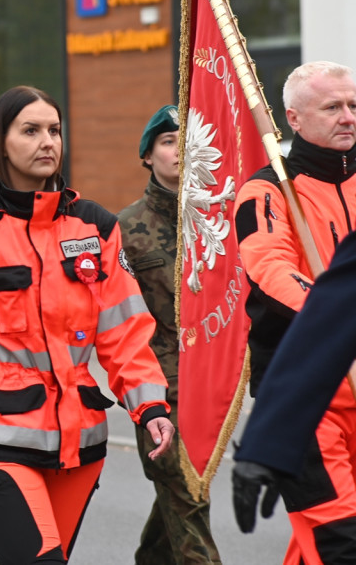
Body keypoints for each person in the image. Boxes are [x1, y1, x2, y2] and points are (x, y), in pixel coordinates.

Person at [0, 85, 174, 565]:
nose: (48, 141)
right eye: (31, 131)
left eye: (54, 130)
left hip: (80, 442)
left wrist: (150, 406)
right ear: (1, 142)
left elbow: (124, 333)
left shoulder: (95, 228)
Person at [232, 60, 356, 563]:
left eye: (353, 106)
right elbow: (271, 268)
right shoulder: (265, 192)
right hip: (307, 397)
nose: (348, 116)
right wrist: (338, 320)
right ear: (294, 119)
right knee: (340, 540)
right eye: (333, 107)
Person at [118, 105, 222, 564]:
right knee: (188, 496)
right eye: (166, 141)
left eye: (184, 140)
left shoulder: (219, 219)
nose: (178, 149)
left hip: (213, 385)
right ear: (147, 156)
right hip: (160, 390)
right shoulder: (124, 230)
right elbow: (117, 320)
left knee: (178, 505)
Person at [232, 231, 356, 545]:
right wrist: (273, 439)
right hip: (323, 407)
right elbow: (327, 321)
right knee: (339, 542)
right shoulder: (268, 187)